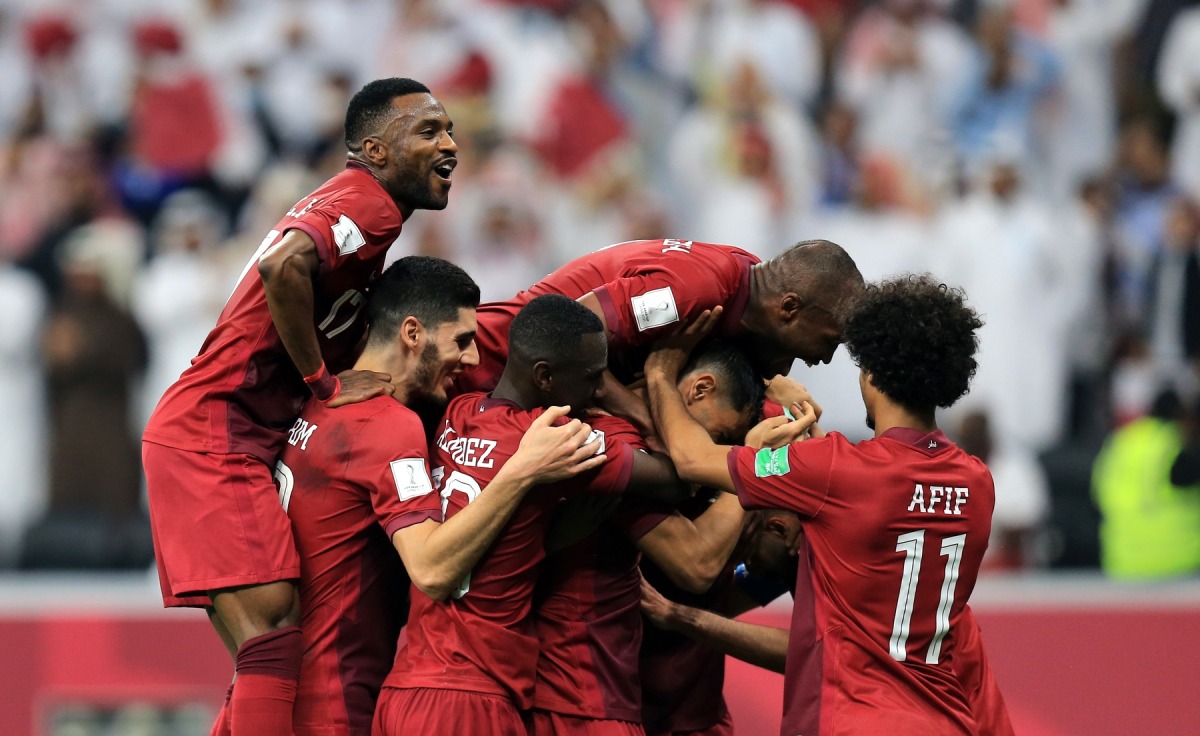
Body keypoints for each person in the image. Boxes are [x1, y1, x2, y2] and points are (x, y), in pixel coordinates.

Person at [140, 77, 457, 736]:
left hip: (224, 429)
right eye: (428, 131)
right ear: (373, 148)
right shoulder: (368, 204)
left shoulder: (363, 209)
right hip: (215, 429)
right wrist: (322, 383)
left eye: (449, 130)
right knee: (277, 629)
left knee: (270, 653)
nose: (449, 145)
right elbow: (283, 267)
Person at [643, 275, 999, 735]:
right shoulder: (977, 481)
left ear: (869, 373)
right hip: (945, 719)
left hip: (852, 720)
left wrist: (658, 373)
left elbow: (692, 458)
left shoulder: (834, 468)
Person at [276, 257, 605, 736]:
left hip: (291, 687)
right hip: (336, 701)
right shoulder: (387, 426)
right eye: (462, 340)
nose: (472, 360)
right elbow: (431, 569)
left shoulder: (322, 402)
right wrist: (522, 471)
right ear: (413, 333)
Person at [374, 294, 684, 736]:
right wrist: (654, 387)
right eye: (593, 377)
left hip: (409, 684)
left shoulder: (457, 413)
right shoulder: (550, 442)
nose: (599, 391)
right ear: (545, 377)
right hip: (469, 701)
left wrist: (546, 536)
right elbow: (678, 476)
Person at [529, 340, 766, 736]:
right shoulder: (611, 446)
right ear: (698, 389)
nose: (718, 452)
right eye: (720, 436)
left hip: (673, 703)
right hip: (584, 696)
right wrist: (746, 468)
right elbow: (698, 565)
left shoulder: (730, 420)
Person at [453, 238, 864, 434]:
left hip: (529, 390)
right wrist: (647, 418)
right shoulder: (694, 291)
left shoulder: (754, 290)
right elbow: (569, 333)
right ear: (789, 309)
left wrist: (769, 390)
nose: (825, 358)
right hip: (483, 365)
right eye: (829, 340)